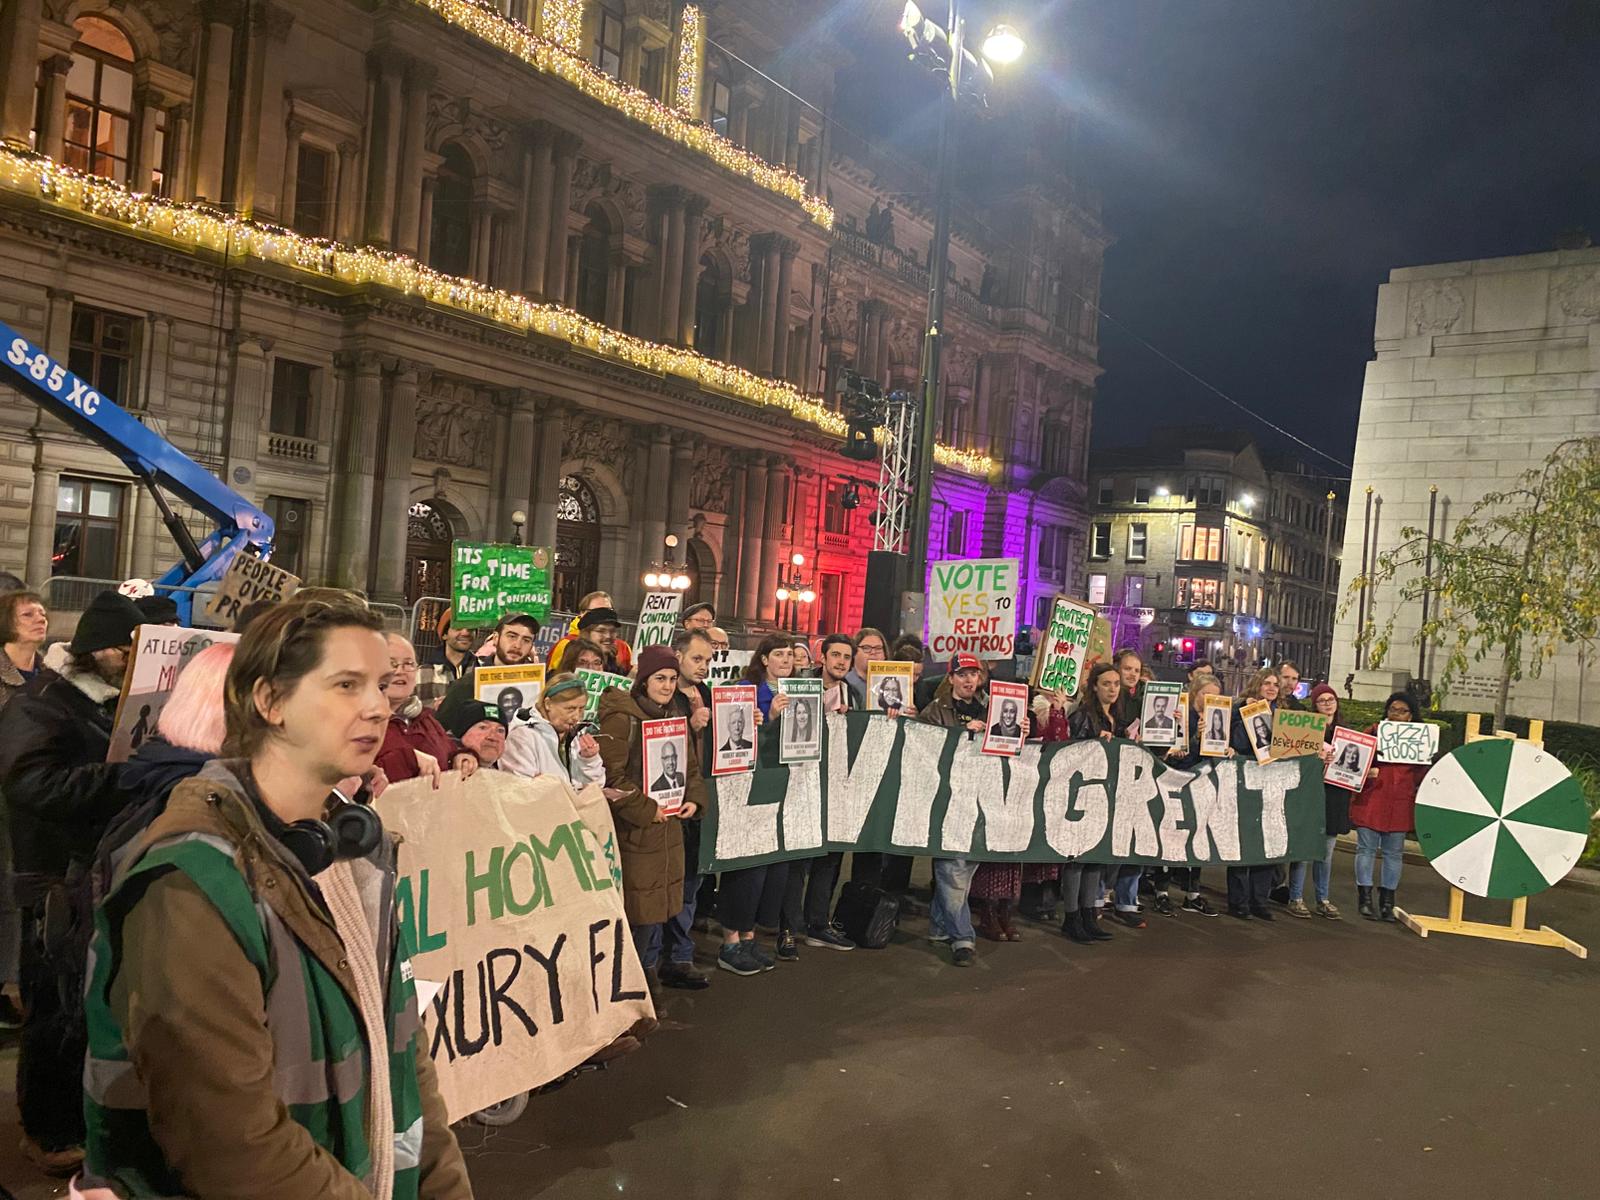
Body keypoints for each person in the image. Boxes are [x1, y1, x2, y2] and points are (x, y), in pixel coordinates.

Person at [78, 595, 472, 1197]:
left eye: (381, 684)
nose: (377, 705)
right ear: (270, 701)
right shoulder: (189, 885)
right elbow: (233, 1146)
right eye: (346, 684)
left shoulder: (362, 858)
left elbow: (405, 1062)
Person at [0, 590, 141, 1173]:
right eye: (126, 650)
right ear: (101, 651)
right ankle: (49, 1131)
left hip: (97, 876)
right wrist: (122, 779)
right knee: (55, 1012)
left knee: (90, 1006)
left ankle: (88, 1117)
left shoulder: (105, 704)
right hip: (55, 881)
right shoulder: (42, 706)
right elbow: (34, 786)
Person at [597, 645, 704, 987]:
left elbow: (690, 767)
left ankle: (643, 979)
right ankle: (628, 987)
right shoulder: (622, 717)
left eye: (673, 679)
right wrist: (647, 809)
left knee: (653, 912)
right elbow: (611, 777)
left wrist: (694, 799)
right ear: (643, 680)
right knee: (637, 915)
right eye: (660, 678)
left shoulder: (672, 714)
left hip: (667, 830)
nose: (668, 685)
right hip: (636, 832)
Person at [778, 632, 855, 955]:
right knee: (798, 859)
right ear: (822, 657)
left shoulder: (851, 693)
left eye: (846, 657)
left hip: (835, 785)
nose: (840, 662)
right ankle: (788, 928)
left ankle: (818, 924)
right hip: (800, 782)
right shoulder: (801, 685)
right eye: (835, 655)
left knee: (830, 858)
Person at [918, 654, 995, 965]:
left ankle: (939, 926)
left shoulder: (994, 708)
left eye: (973, 674)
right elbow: (923, 751)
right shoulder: (934, 712)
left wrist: (1020, 727)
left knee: (965, 868)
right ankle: (963, 938)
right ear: (950, 678)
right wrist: (963, 736)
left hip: (982, 800)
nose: (968, 680)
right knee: (952, 871)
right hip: (947, 802)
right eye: (961, 674)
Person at [726, 637, 795, 962]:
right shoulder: (745, 688)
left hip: (780, 785)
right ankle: (731, 940)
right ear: (764, 659)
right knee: (746, 866)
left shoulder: (799, 690)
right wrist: (769, 719)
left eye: (790, 655)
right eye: (779, 654)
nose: (786, 659)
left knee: (771, 866)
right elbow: (733, 741)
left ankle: (750, 935)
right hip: (747, 786)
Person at [0, 589, 50, 1031]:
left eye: (42, 612)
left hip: (32, 795)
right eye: (28, 613)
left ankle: (11, 982)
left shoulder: (49, 672)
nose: (40, 618)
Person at [1068, 663, 1142, 934]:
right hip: (1084, 794)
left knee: (1096, 857)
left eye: (1116, 684)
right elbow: (1070, 752)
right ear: (1095, 686)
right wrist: (1092, 740)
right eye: (1106, 684)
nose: (1112, 689)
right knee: (1077, 858)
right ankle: (1072, 916)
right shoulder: (1083, 715)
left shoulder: (1119, 718)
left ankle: (1089, 913)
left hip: (1108, 794)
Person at [660, 630, 714, 990]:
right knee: (665, 882)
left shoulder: (706, 693)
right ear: (678, 656)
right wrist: (687, 728)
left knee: (692, 883)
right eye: (697, 659)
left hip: (700, 798)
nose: (703, 667)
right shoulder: (665, 695)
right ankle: (655, 958)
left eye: (708, 660)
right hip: (669, 802)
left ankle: (680, 955)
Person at [1350, 692, 1428, 922]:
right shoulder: (1373, 732)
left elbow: (1421, 775)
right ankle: (1364, 899)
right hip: (1373, 799)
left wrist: (1427, 758)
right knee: (1365, 849)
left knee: (1394, 854)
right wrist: (1369, 771)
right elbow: (1354, 762)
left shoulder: (1421, 740)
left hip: (1400, 803)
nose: (1396, 715)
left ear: (1411, 716)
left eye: (1402, 711)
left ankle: (1387, 902)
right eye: (1393, 709)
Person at [1154, 676, 1223, 918]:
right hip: (1176, 782)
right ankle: (1161, 892)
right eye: (1206, 694)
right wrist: (1194, 737)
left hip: (1201, 785)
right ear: (1195, 693)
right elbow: (1175, 754)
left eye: (1215, 696)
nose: (1210, 700)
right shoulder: (1182, 714)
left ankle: (1192, 895)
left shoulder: (1216, 717)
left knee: (1199, 837)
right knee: (1171, 837)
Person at [1285, 683, 1352, 919]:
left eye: (1330, 699)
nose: (1327, 704)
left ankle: (1323, 899)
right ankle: (1296, 897)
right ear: (1314, 705)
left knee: (1326, 852)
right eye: (1321, 700)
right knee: (1303, 850)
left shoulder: (1347, 732)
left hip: (1335, 796)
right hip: (1309, 793)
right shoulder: (1306, 729)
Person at [377, 634, 476, 783]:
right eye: (391, 663)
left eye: (409, 663)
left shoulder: (426, 719)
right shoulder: (361, 722)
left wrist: (460, 756)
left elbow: (448, 751)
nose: (400, 671)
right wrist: (409, 758)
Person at [1227, 667, 1283, 920]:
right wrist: (1245, 714)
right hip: (1246, 781)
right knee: (1243, 841)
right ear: (1257, 685)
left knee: (1267, 842)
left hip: (1272, 784)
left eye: (1275, 684)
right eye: (1266, 683)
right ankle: (1238, 901)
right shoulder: (1241, 709)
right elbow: (1236, 742)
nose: (1271, 688)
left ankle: (1260, 900)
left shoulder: (1282, 714)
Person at [501, 673, 607, 788]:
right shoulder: (522, 737)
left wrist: (589, 760)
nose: (577, 716)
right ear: (548, 704)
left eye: (581, 709)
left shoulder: (576, 734)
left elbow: (597, 786)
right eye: (570, 709)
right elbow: (521, 790)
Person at [443, 699, 509, 768]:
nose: (492, 737)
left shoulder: (504, 774)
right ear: (461, 733)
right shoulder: (439, 764)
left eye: (500, 731)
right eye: (483, 727)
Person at [431, 609, 480, 685]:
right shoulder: (424, 671)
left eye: (471, 627)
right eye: (458, 627)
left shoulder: (482, 669)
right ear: (444, 635)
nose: (465, 633)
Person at [844, 627, 888, 707]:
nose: (873, 652)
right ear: (854, 652)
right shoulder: (845, 683)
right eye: (866, 648)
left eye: (878, 648)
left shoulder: (893, 682)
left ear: (885, 654)